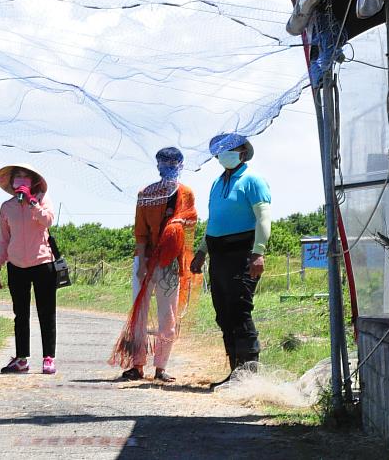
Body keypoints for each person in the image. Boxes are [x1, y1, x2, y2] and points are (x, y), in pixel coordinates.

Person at [190, 133, 271, 389]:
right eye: (221, 150)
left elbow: (263, 219)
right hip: (218, 255)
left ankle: (249, 374)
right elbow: (213, 222)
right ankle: (235, 370)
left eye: (230, 149)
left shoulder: (252, 180)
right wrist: (202, 251)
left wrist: (258, 252)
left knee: (239, 310)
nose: (224, 154)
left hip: (242, 253)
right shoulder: (216, 183)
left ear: (242, 152)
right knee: (223, 312)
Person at [112, 147, 198, 383]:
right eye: (165, 162)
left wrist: (176, 235)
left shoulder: (186, 193)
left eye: (174, 162)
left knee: (167, 316)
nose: (169, 166)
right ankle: (137, 365)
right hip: (146, 259)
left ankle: (161, 367)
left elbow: (191, 224)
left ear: (181, 165)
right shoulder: (146, 193)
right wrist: (141, 262)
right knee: (138, 314)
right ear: (158, 165)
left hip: (170, 263)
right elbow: (140, 231)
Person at [0, 163, 58, 375]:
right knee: (20, 313)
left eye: (25, 177)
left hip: (43, 263)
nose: (20, 180)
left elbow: (48, 221)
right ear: (11, 183)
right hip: (16, 266)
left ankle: (49, 358)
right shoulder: (6, 207)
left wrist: (32, 202)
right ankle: (21, 359)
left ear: (33, 181)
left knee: (46, 312)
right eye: (17, 176)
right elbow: (4, 239)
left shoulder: (42, 201)